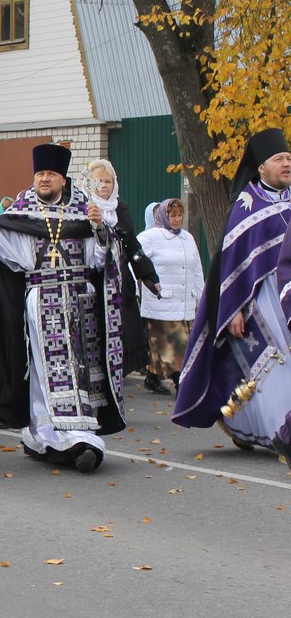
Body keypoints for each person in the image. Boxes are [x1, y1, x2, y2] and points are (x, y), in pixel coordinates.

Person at [0, 144, 125, 473]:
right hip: (43, 297)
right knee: (47, 370)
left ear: (62, 179)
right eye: (39, 174)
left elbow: (100, 259)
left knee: (80, 370)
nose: (44, 179)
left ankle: (56, 435)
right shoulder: (23, 208)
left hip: (81, 300)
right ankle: (70, 436)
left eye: (50, 174)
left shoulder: (84, 207)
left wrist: (98, 230)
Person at [175, 128, 291, 463]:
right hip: (257, 301)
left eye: (288, 158)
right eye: (278, 159)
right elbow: (231, 263)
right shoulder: (247, 204)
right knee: (273, 366)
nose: (286, 164)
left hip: (287, 295)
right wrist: (233, 309)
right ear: (261, 168)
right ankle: (273, 432)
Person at [86, 159, 159, 378]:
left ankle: (117, 370)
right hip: (93, 277)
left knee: (123, 328)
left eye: (108, 181)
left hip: (119, 279)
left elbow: (131, 244)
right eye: (99, 181)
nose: (104, 186)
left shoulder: (121, 208)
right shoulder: (84, 207)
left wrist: (147, 274)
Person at [137, 198, 203, 393]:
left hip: (185, 303)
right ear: (162, 216)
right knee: (174, 347)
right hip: (162, 302)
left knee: (170, 345)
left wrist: (201, 298)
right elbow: (135, 265)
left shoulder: (187, 238)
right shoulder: (150, 237)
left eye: (179, 215)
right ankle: (182, 385)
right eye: (172, 215)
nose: (176, 219)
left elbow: (197, 269)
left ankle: (152, 377)